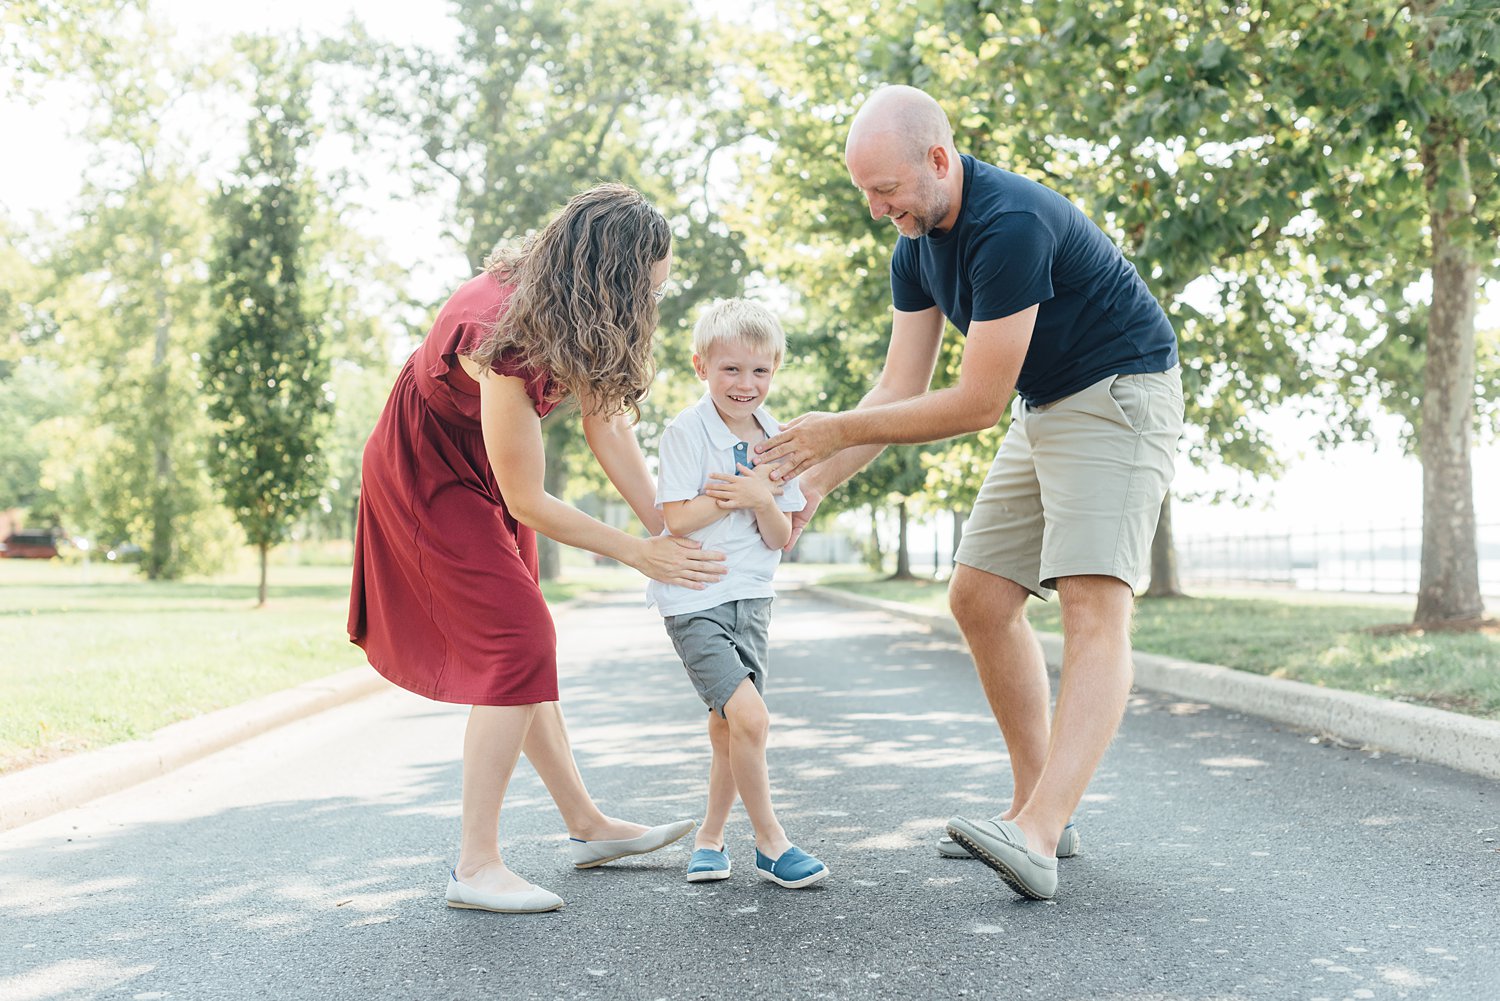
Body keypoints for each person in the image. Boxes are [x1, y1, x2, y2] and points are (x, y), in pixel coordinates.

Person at [756, 86, 1184, 901]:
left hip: (1120, 390)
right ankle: (1037, 806)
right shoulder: (913, 245)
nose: (879, 209)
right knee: (980, 595)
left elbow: (976, 403)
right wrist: (813, 482)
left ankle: (1040, 831)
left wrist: (833, 430)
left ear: (940, 160)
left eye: (886, 190)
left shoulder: (1009, 223)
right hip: (1047, 401)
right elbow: (896, 389)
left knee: (1093, 602)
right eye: (866, 194)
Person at [348, 183, 727, 914]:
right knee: (519, 639)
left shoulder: (572, 309)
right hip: (427, 473)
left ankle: (587, 825)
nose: (654, 302)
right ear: (610, 279)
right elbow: (527, 498)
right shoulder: (507, 330)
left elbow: (608, 425)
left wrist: (664, 521)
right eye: (649, 288)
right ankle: (475, 865)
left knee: (522, 651)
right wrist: (635, 552)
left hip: (485, 465)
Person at [646, 299, 829, 889]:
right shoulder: (685, 431)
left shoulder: (780, 439)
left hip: (752, 598)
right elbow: (676, 519)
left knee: (730, 725)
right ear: (702, 366)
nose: (745, 384)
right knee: (750, 716)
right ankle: (772, 844)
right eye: (731, 369)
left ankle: (709, 839)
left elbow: (780, 538)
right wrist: (738, 495)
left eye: (759, 371)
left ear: (775, 370)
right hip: (694, 595)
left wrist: (761, 499)